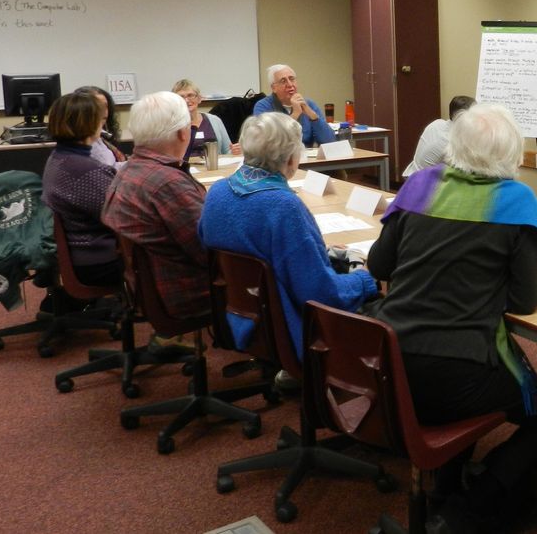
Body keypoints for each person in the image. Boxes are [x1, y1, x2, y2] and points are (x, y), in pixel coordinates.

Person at [362, 103, 537, 533]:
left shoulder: (419, 187)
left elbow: (380, 267)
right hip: (458, 376)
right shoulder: (515, 201)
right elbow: (526, 300)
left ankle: (446, 485)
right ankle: (471, 507)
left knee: (480, 370)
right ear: (512, 153)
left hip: (386, 364)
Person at [198, 112, 375, 358]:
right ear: (291, 158)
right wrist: (365, 278)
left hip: (238, 314)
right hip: (285, 326)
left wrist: (313, 249)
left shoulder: (217, 192)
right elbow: (322, 293)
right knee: (374, 291)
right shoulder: (284, 206)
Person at [101, 91, 210, 318]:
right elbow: (210, 252)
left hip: (146, 288)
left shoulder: (127, 171)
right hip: (187, 293)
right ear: (183, 133)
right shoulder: (168, 184)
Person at [41, 92, 122, 288]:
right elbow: (123, 218)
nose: (102, 124)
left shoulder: (59, 157)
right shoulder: (85, 170)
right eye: (99, 119)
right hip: (98, 260)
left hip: (78, 252)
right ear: (88, 123)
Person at [251, 63, 335, 147]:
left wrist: (313, 117)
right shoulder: (263, 106)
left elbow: (330, 141)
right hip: (277, 158)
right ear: (274, 88)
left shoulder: (309, 104)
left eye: (292, 79)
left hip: (307, 158)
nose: (290, 85)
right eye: (283, 81)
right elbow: (265, 142)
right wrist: (295, 114)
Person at [401, 94, 475, 177]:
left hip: (412, 175)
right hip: (425, 184)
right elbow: (468, 169)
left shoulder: (437, 123)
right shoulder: (451, 141)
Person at [172, 78, 241, 157]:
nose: (187, 100)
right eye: (181, 97)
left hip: (213, 167)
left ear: (199, 98)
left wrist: (235, 151)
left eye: (190, 95)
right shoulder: (170, 124)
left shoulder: (215, 120)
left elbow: (227, 151)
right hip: (182, 168)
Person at [74, 85, 126, 168]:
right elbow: (108, 171)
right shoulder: (85, 141)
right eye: (97, 107)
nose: (103, 112)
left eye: (105, 106)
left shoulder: (102, 135)